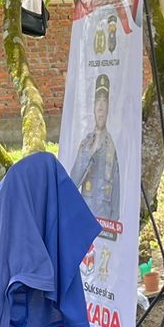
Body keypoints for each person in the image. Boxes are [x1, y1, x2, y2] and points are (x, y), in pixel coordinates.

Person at [68, 73, 121, 236]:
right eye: (98, 102)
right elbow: (73, 181)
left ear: (108, 110)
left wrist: (113, 224)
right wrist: (91, 152)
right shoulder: (86, 143)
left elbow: (116, 191)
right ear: (93, 108)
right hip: (85, 220)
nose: (100, 107)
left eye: (104, 102)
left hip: (105, 224)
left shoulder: (113, 146)